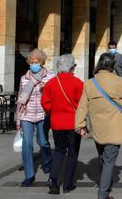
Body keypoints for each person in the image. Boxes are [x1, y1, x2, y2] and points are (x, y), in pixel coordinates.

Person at [75, 53, 122, 199]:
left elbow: (82, 107)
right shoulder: (120, 82)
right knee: (109, 161)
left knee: (103, 158)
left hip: (98, 128)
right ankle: (103, 194)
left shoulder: (90, 83)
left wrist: (79, 125)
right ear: (113, 66)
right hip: (115, 127)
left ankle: (106, 188)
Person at [41, 54, 83, 194]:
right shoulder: (78, 83)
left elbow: (45, 103)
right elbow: (83, 104)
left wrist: (53, 111)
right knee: (72, 153)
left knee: (59, 150)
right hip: (73, 123)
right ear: (72, 67)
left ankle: (53, 179)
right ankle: (68, 184)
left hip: (57, 123)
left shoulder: (52, 83)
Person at [15, 49, 54, 187]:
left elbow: (54, 96)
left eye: (36, 62)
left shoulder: (50, 77)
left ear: (42, 62)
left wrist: (47, 89)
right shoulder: (24, 78)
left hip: (43, 114)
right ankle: (29, 175)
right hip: (27, 114)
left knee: (43, 141)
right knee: (27, 144)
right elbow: (20, 98)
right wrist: (18, 120)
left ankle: (48, 162)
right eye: (31, 62)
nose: (33, 64)